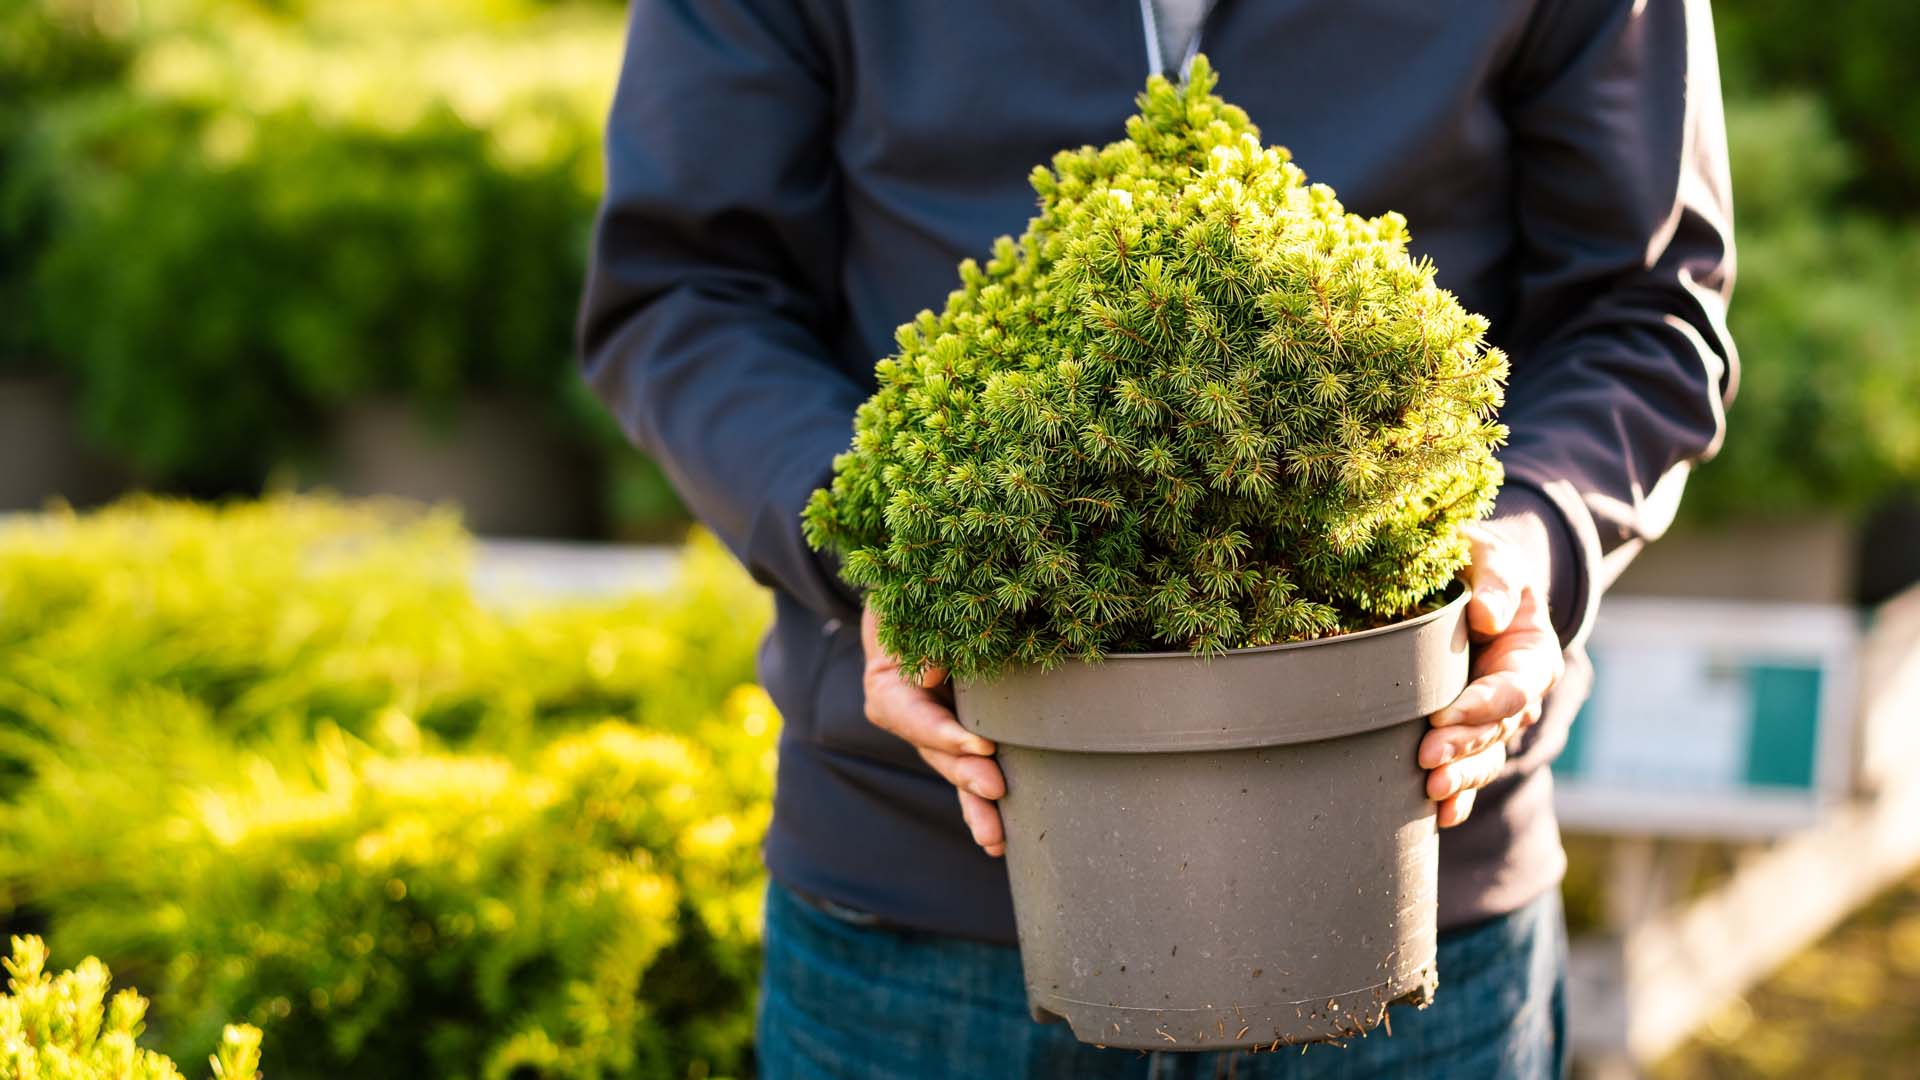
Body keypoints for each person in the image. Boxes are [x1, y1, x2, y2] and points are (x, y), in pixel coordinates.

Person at [579, 1, 1736, 1076]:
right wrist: (897, 549)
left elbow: (1644, 309)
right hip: (923, 915)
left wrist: (1532, 538)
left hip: (1409, 862)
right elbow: (688, 287)